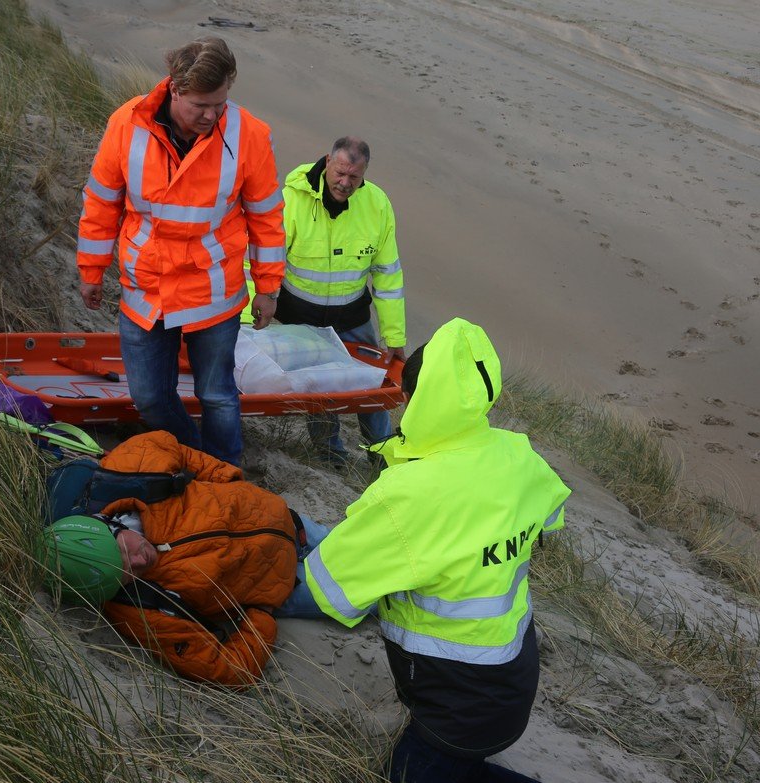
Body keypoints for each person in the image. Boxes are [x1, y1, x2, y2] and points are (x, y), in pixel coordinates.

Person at [303, 317, 571, 782]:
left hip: (458, 707)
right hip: (516, 676)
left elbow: (329, 589)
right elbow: (549, 521)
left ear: (414, 398)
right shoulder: (520, 454)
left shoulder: (407, 495)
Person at [76, 37, 286, 467]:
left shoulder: (249, 135)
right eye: (201, 106)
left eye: (220, 104)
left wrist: (268, 287)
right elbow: (101, 202)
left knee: (218, 396)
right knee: (150, 397)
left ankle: (225, 475)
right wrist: (91, 269)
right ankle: (197, 462)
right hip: (145, 287)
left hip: (214, 290)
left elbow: (266, 216)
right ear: (174, 89)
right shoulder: (126, 125)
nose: (212, 115)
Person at [38, 430, 329, 686]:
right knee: (367, 594)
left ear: (109, 524)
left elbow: (170, 445)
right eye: (125, 574)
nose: (138, 562)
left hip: (289, 519)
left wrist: (229, 480)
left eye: (123, 550)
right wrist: (261, 615)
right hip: (285, 582)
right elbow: (226, 668)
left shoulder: (127, 474)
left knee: (370, 546)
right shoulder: (140, 609)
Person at [275, 137, 407, 467]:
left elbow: (388, 277)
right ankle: (330, 457)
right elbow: (263, 262)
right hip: (301, 319)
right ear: (327, 162)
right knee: (320, 391)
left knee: (371, 388)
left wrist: (394, 337)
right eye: (340, 173)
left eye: (354, 178)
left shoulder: (377, 205)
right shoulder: (293, 199)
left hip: (353, 319)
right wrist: (249, 316)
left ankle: (383, 457)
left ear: (364, 176)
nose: (345, 183)